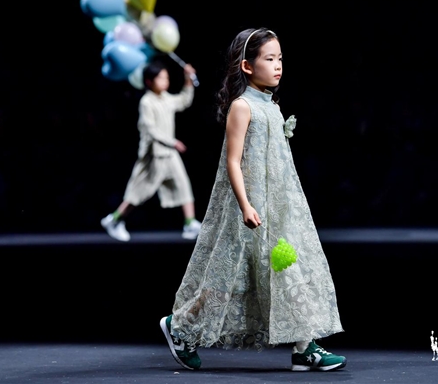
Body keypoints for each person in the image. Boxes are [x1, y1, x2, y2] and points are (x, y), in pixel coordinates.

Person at [159, 28, 346, 372]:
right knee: (228, 275)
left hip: (279, 204)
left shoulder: (272, 105)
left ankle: (305, 346)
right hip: (249, 206)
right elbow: (232, 161)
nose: (278, 66)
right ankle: (180, 325)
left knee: (293, 266)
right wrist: (246, 205)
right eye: (269, 59)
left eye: (280, 59)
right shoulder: (242, 107)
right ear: (247, 65)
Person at [101, 60, 202, 241]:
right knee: (139, 193)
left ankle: (189, 223)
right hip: (153, 155)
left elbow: (183, 101)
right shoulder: (146, 102)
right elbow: (151, 130)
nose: (165, 81)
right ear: (149, 81)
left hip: (169, 154)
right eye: (160, 78)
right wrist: (172, 142)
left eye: (166, 78)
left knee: (183, 185)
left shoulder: (166, 98)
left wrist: (188, 80)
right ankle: (114, 220)